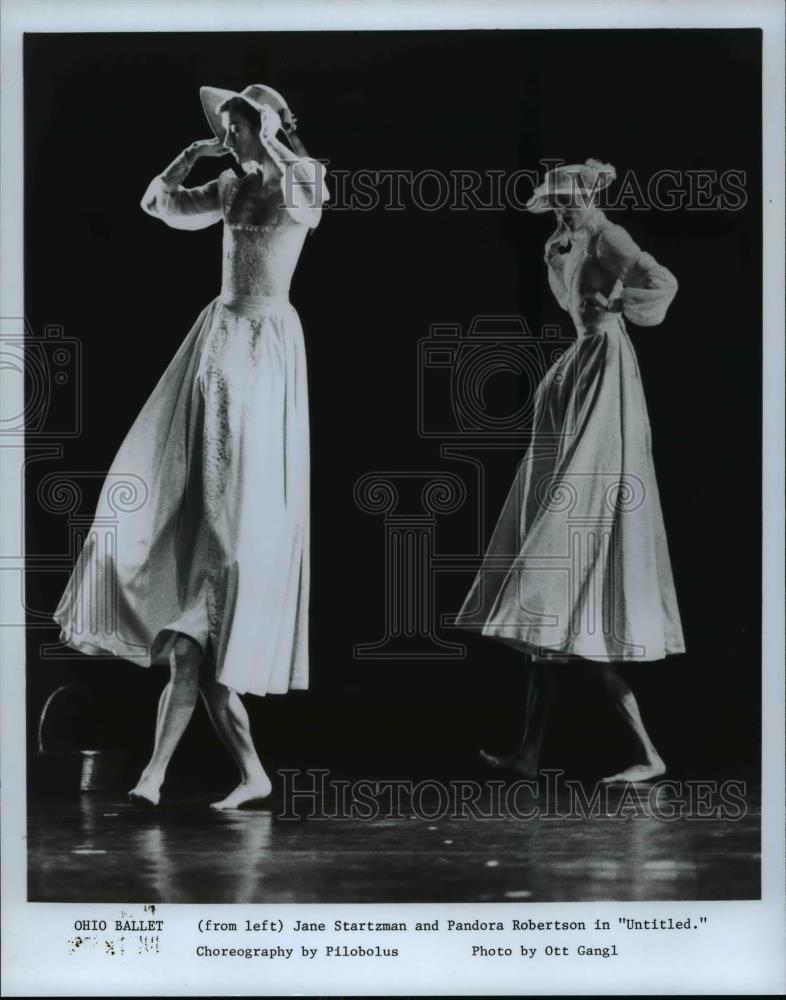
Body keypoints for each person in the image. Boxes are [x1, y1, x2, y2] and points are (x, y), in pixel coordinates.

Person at [53, 84, 328, 809]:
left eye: (238, 124)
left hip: (265, 342)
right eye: (228, 125)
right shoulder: (231, 181)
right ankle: (236, 774)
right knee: (197, 660)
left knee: (198, 658)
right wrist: (189, 157)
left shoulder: (297, 176)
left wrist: (270, 141)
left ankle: (160, 776)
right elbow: (163, 207)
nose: (229, 134)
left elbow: (311, 202)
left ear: (266, 126)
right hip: (220, 335)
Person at [454, 159, 684, 783]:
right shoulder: (562, 242)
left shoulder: (608, 235)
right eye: (553, 201)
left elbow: (661, 282)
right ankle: (529, 753)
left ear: (584, 193)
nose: (559, 209)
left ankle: (646, 753)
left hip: (606, 363)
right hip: (578, 366)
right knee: (548, 620)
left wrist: (618, 299)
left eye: (565, 198)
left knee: (573, 517)